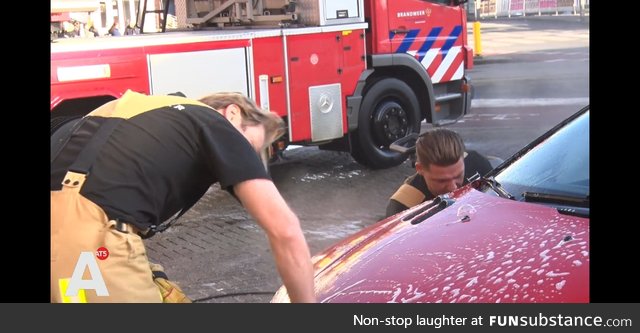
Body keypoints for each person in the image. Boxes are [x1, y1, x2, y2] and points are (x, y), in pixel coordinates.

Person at [51, 90, 316, 303]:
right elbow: (286, 231)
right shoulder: (213, 122)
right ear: (233, 112)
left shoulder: (139, 109)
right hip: (85, 246)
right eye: (249, 146)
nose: (245, 157)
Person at [385, 128, 493, 218]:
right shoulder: (403, 206)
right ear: (420, 169)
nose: (453, 187)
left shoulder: (478, 164)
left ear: (463, 158)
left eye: (458, 176)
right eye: (442, 180)